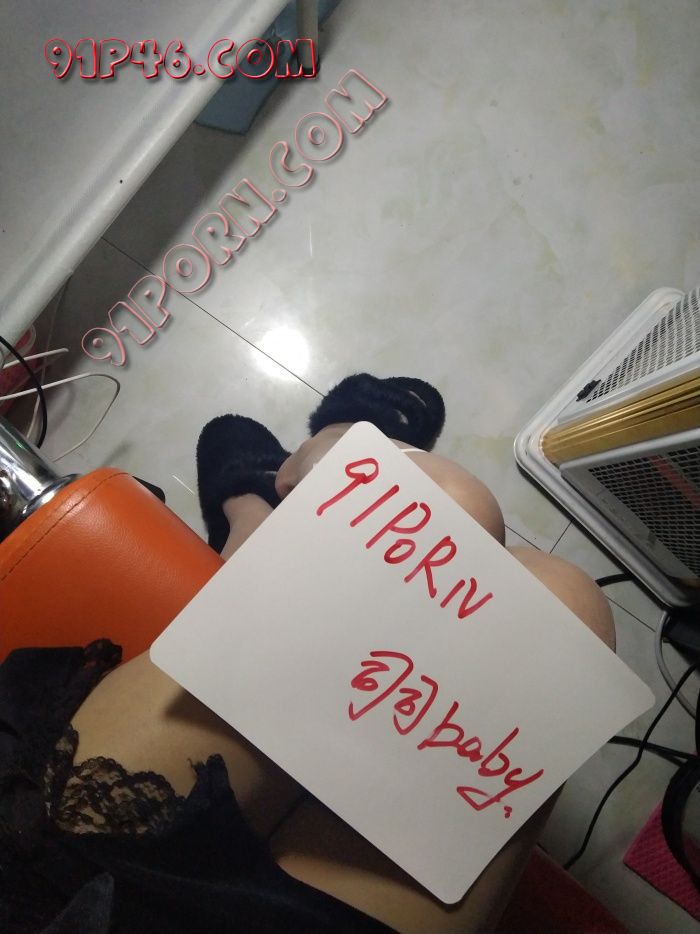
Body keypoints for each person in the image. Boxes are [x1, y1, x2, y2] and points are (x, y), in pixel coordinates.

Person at [0, 375, 615, 933]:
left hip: (47, 881)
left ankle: (256, 515)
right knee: (563, 603)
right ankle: (308, 476)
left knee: (446, 505)